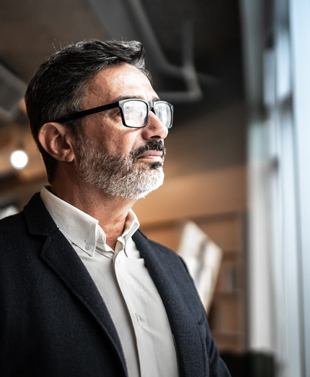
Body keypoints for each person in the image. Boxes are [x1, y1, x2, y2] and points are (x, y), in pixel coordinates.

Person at [0, 40, 231, 377]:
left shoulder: (175, 269)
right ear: (61, 142)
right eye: (132, 110)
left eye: (156, 110)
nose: (159, 129)